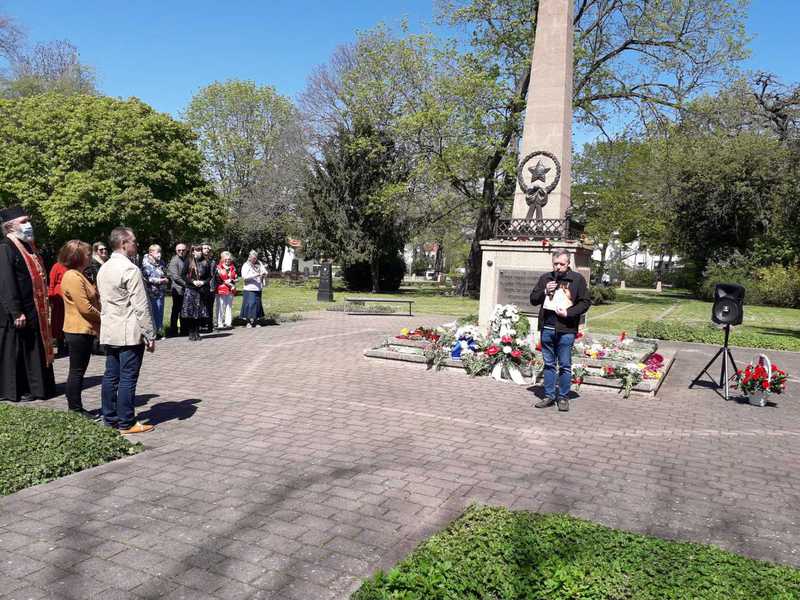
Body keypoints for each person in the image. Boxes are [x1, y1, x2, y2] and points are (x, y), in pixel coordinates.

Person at [96, 227, 155, 434]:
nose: (136, 245)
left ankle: (109, 418)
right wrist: (149, 333)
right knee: (128, 377)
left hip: (110, 329)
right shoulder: (130, 269)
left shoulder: (104, 268)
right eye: (133, 241)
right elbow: (141, 306)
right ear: (123, 244)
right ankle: (126, 422)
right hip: (128, 332)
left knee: (111, 376)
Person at [0, 202, 56, 402]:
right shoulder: (6, 247)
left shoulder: (29, 246)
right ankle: (22, 389)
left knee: (35, 347)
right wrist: (16, 311)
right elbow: (6, 282)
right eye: (23, 222)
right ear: (10, 226)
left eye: (28, 221)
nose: (28, 225)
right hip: (18, 311)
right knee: (20, 350)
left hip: (34, 309)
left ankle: (40, 387)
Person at [529, 249, 591, 412]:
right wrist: (544, 291)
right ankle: (549, 396)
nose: (558, 267)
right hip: (547, 328)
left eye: (562, 264)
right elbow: (533, 299)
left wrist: (568, 313)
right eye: (555, 264)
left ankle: (563, 397)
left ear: (568, 263)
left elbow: (585, 302)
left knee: (564, 365)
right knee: (549, 364)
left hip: (566, 329)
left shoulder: (577, 279)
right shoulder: (546, 278)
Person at [58, 240, 101, 418]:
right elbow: (85, 308)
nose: (90, 256)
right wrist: (104, 317)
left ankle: (75, 407)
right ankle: (75, 409)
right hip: (78, 330)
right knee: (76, 371)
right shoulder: (72, 277)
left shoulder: (79, 274)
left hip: (82, 329)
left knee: (78, 370)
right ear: (78, 256)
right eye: (88, 254)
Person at [181, 244, 211, 341]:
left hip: (201, 290)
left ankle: (197, 332)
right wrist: (192, 281)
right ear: (193, 252)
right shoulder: (188, 261)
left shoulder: (206, 262)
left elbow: (209, 276)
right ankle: (191, 332)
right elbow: (183, 275)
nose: (199, 252)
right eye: (197, 250)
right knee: (190, 312)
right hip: (191, 289)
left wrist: (203, 282)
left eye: (200, 250)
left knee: (199, 312)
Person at [141, 244, 169, 339]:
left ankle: (159, 332)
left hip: (161, 292)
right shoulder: (145, 263)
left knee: (160, 312)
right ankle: (151, 334)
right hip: (151, 292)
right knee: (152, 312)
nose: (159, 254)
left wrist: (166, 278)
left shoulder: (161, 262)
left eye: (160, 251)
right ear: (151, 252)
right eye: (157, 252)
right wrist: (160, 281)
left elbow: (164, 272)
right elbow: (146, 278)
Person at [240, 250, 267, 327]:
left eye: (255, 258)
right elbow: (244, 277)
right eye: (253, 258)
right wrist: (256, 275)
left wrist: (264, 274)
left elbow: (264, 271)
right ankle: (248, 322)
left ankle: (256, 321)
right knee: (250, 305)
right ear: (249, 257)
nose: (254, 259)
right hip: (249, 288)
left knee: (257, 305)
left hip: (258, 288)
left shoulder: (259, 263)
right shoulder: (246, 265)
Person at [48, 260, 68, 356]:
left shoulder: (72, 264)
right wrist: (51, 297)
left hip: (69, 296)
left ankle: (68, 346)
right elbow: (52, 282)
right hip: (58, 298)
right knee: (59, 322)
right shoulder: (57, 266)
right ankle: (61, 347)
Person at [167, 243, 187, 336]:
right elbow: (175, 277)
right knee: (176, 310)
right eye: (179, 250)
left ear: (186, 250)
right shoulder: (174, 261)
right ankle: (173, 331)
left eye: (183, 250)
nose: (181, 252)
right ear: (176, 251)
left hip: (184, 289)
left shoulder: (185, 259)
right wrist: (187, 284)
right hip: (177, 289)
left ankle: (184, 329)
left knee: (183, 310)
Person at [215, 251, 237, 329]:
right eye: (226, 259)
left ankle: (228, 323)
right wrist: (226, 282)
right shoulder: (218, 267)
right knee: (220, 307)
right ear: (222, 259)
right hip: (221, 289)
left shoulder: (233, 267)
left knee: (229, 306)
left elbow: (235, 277)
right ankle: (219, 323)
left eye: (229, 259)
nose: (228, 260)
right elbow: (217, 279)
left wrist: (233, 281)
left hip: (230, 289)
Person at [201, 243, 217, 333]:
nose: (207, 250)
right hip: (201, 287)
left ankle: (210, 325)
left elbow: (214, 275)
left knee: (210, 307)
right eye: (204, 248)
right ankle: (202, 325)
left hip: (211, 287)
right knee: (201, 306)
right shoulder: (197, 261)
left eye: (208, 248)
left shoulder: (213, 261)